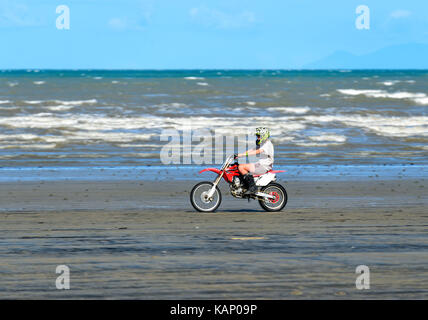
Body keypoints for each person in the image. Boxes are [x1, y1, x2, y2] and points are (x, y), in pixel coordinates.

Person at [235, 127, 274, 195]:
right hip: (260, 164)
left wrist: (243, 155)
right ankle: (245, 186)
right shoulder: (263, 143)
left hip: (264, 166)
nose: (257, 138)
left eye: (259, 136)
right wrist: (240, 154)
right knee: (238, 166)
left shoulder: (267, 144)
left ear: (263, 135)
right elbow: (253, 149)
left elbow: (257, 151)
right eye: (257, 136)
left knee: (241, 167)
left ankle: (253, 188)